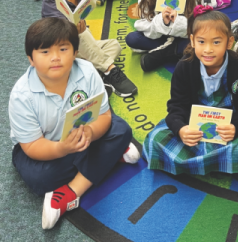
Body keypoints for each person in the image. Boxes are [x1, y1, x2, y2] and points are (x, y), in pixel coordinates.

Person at [9, 18, 140, 230]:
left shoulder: (87, 71)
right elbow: (32, 146)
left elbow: (104, 117)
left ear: (75, 52)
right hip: (45, 148)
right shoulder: (22, 96)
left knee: (122, 130)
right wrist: (61, 148)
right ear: (30, 59)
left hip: (85, 136)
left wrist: (90, 131)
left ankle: (69, 193)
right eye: (45, 52)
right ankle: (111, 156)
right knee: (40, 179)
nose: (55, 58)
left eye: (63, 49)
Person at [142, 7, 238, 184]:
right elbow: (176, 107)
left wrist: (235, 127)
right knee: (154, 140)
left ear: (229, 42)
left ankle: (195, 162)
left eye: (216, 42)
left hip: (227, 125)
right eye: (202, 42)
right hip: (193, 123)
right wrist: (181, 130)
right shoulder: (184, 67)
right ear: (192, 41)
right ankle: (220, 162)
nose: (208, 50)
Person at [41, 0, 137, 97]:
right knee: (81, 33)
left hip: (78, 49)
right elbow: (61, 33)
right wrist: (77, 30)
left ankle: (93, 76)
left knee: (114, 45)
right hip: (60, 50)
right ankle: (110, 70)